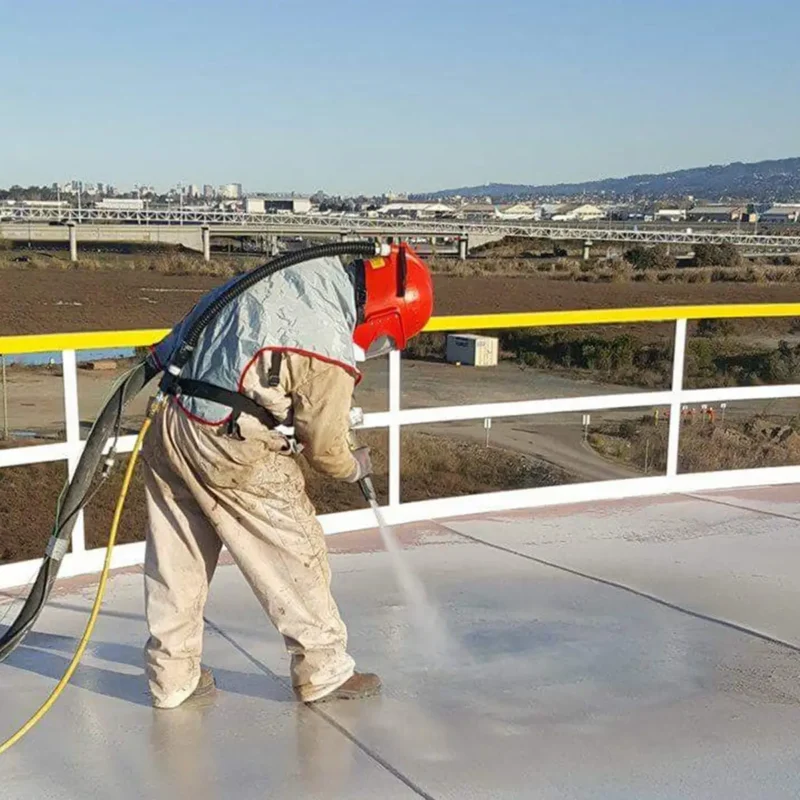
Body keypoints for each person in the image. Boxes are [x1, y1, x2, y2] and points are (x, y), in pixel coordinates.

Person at [141, 245, 433, 708]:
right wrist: (355, 464)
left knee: (178, 556)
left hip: (171, 418)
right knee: (296, 546)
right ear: (384, 312)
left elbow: (211, 309)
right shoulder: (329, 343)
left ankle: (171, 679)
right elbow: (326, 447)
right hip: (227, 442)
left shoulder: (299, 273)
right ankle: (325, 671)